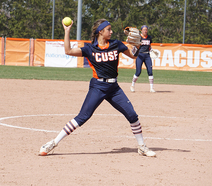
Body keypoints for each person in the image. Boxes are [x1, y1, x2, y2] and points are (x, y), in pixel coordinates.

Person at [39, 19, 156, 157]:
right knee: (83, 117)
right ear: (100, 31)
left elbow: (133, 56)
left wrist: (137, 44)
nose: (111, 32)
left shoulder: (116, 44)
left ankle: (142, 147)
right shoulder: (90, 48)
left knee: (132, 115)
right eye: (109, 29)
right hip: (98, 87)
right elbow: (68, 50)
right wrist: (67, 31)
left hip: (114, 88)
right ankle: (53, 142)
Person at [130, 25, 155, 93]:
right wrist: (134, 49)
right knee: (138, 72)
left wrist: (151, 50)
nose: (145, 31)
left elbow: (149, 46)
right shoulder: (139, 37)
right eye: (144, 30)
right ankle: (132, 85)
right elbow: (133, 45)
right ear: (141, 30)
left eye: (146, 29)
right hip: (140, 55)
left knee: (150, 71)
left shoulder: (149, 37)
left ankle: (151, 88)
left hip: (147, 55)